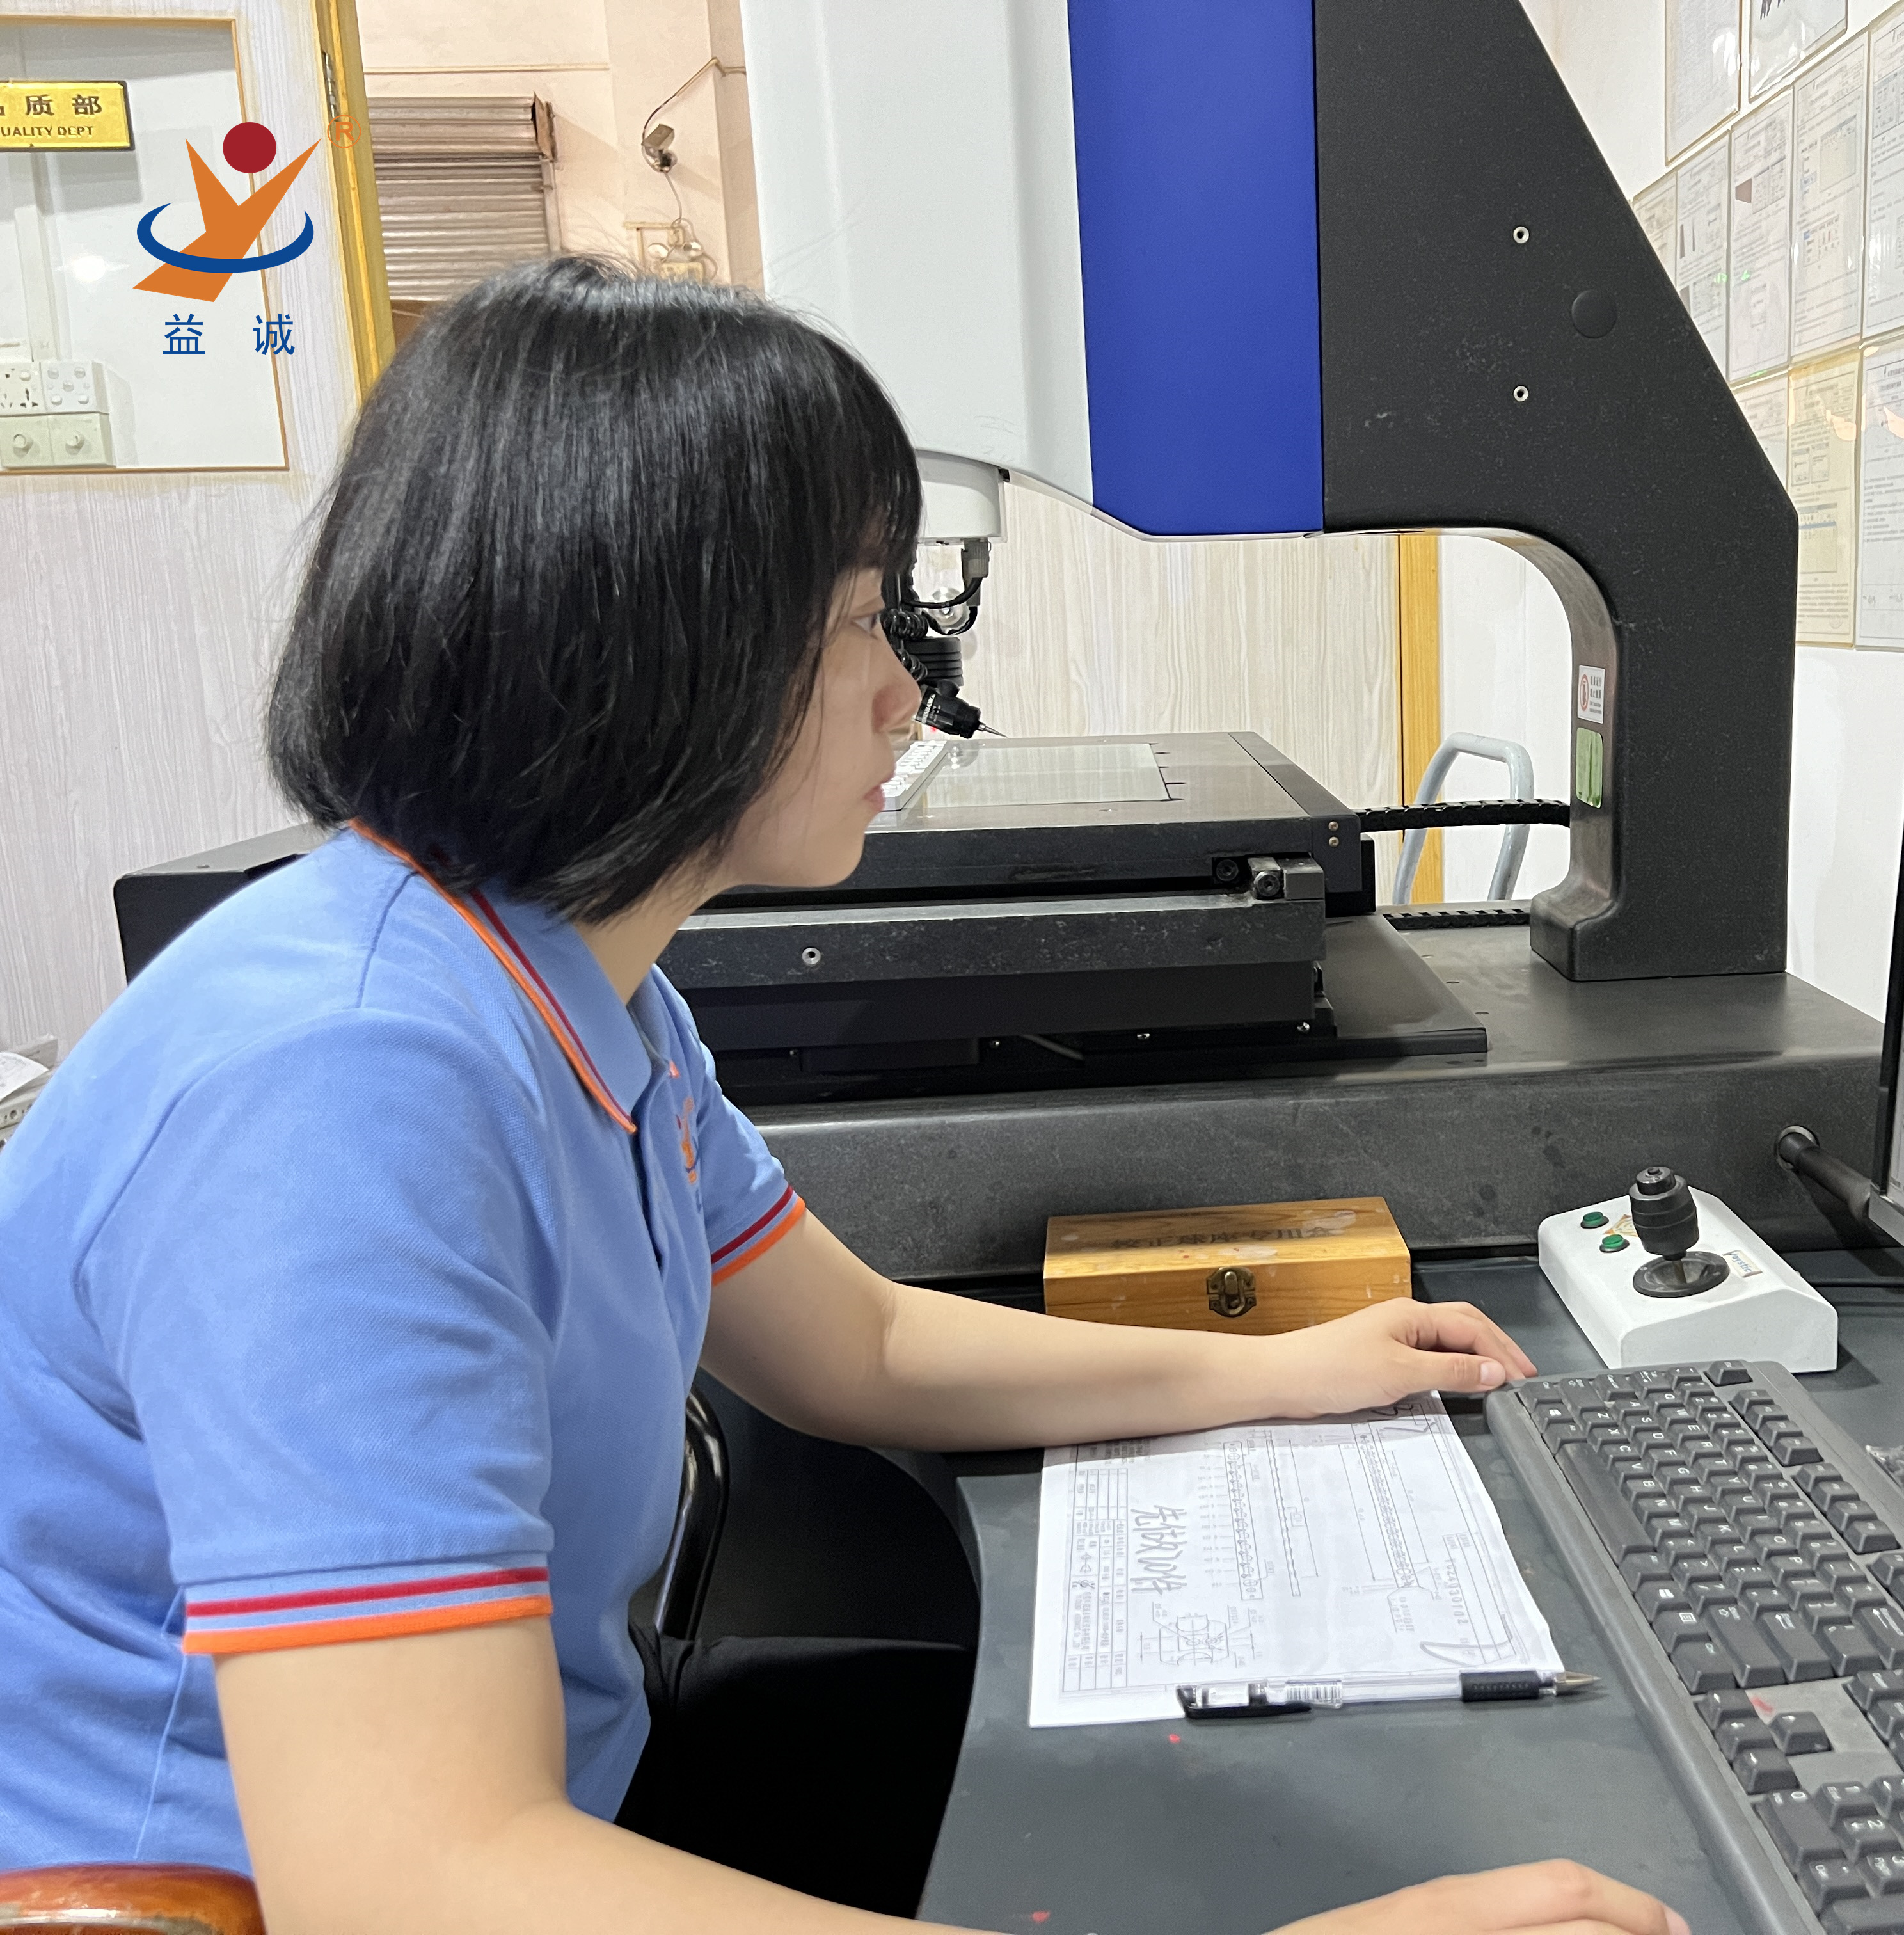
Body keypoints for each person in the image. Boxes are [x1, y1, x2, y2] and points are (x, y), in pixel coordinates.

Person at [0, 259, 1686, 1935]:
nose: (908, 691)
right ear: (646, 649)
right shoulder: (344, 1085)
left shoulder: (583, 987)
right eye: (859, 621)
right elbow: (410, 1882)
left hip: (552, 1814)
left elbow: (858, 1344)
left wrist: (1287, 1372)